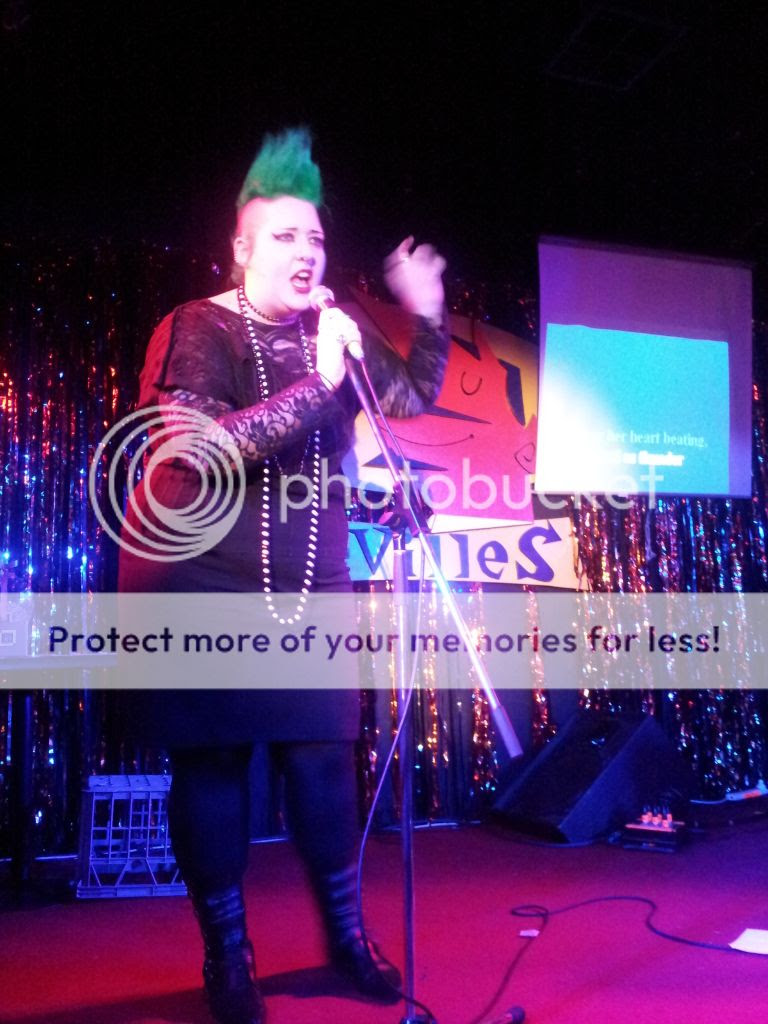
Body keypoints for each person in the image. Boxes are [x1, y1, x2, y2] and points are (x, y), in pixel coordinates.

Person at [117, 128, 448, 1024]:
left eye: (317, 239)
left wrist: (426, 312)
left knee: (324, 758)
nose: (307, 253)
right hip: (199, 576)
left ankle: (347, 938)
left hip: (308, 582)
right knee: (215, 761)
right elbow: (198, 449)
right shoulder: (199, 325)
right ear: (242, 248)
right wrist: (321, 385)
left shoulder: (333, 331)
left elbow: (407, 397)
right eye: (286, 236)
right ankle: (228, 954)